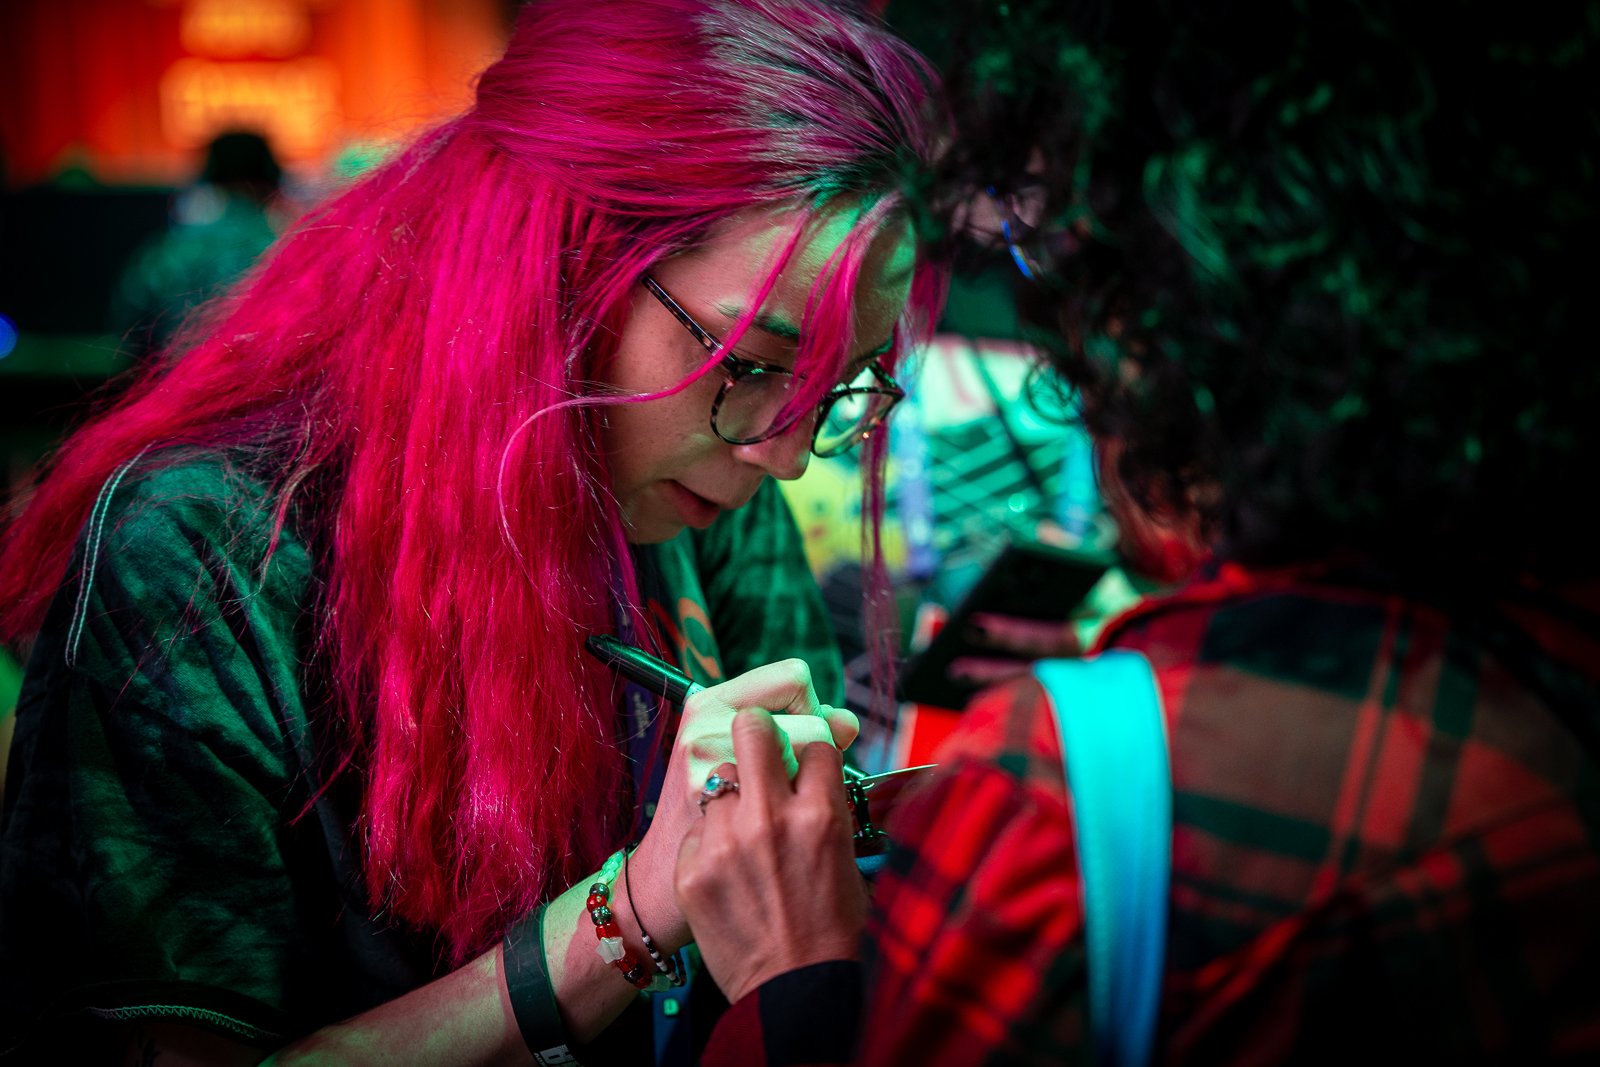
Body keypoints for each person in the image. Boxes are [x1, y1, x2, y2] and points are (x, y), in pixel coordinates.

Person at [0, 0, 946, 1063]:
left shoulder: (712, 489)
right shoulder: (203, 553)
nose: (788, 454)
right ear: (558, 261)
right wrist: (623, 920)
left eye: (838, 383)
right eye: (755, 362)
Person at [674, 0, 1600, 1063]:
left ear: (1172, 324)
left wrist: (792, 973)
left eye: (1080, 281)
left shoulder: (1058, 808)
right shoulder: (1552, 664)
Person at [110, 130, 290, 356]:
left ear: (207, 177)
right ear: (274, 179)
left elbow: (128, 327)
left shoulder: (167, 252)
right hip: (260, 376)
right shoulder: (285, 250)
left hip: (176, 373)